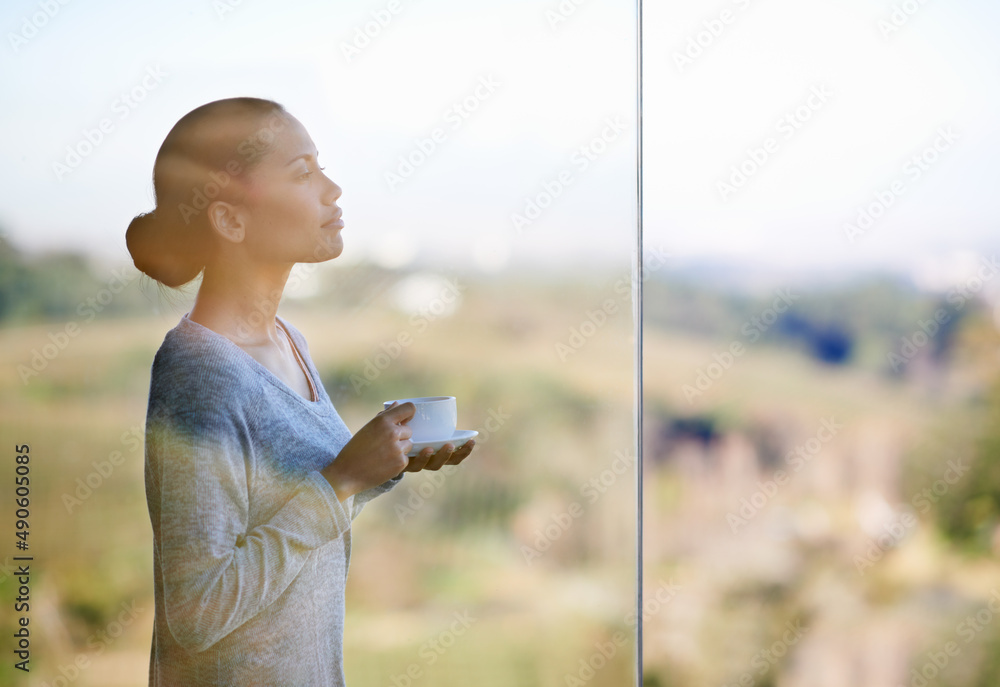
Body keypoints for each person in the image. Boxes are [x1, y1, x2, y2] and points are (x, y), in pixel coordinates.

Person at [126, 97, 475, 686]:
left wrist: (388, 464)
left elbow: (293, 509)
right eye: (303, 173)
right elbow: (197, 609)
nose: (333, 189)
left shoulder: (290, 341)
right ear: (230, 220)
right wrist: (342, 480)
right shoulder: (199, 375)